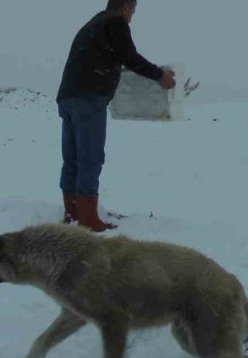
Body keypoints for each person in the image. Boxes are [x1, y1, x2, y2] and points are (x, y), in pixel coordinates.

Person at [57, 0, 176, 232]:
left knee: (72, 158)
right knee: (90, 158)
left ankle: (73, 211)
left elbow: (111, 58)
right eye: (133, 11)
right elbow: (129, 57)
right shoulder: (116, 22)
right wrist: (160, 75)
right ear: (125, 7)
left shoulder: (94, 23)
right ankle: (88, 220)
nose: (132, 17)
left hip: (68, 96)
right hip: (89, 96)